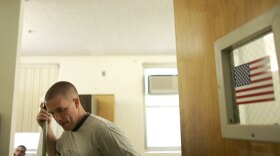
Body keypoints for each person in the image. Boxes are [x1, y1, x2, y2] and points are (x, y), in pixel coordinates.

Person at [36, 81, 138, 156]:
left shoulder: (104, 131)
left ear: (76, 102)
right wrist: (47, 126)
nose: (58, 118)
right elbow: (54, 153)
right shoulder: (68, 132)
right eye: (52, 113)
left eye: (61, 110)